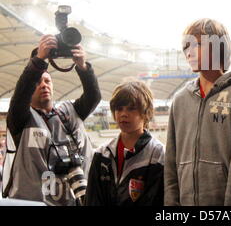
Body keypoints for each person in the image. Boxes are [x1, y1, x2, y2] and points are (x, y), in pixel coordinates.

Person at [2, 35, 101, 205]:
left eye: (47, 81)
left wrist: (83, 67)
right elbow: (20, 94)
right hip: (32, 202)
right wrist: (39, 60)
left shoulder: (72, 111)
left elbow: (94, 96)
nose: (43, 85)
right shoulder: (21, 117)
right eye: (38, 82)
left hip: (77, 200)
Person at [164, 18, 231, 206]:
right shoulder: (179, 100)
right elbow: (170, 163)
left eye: (197, 45)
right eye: (186, 46)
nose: (189, 52)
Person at [85, 80, 164, 206]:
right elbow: (92, 200)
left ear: (145, 112)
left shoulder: (158, 154)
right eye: (119, 108)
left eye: (131, 109)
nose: (123, 114)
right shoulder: (102, 154)